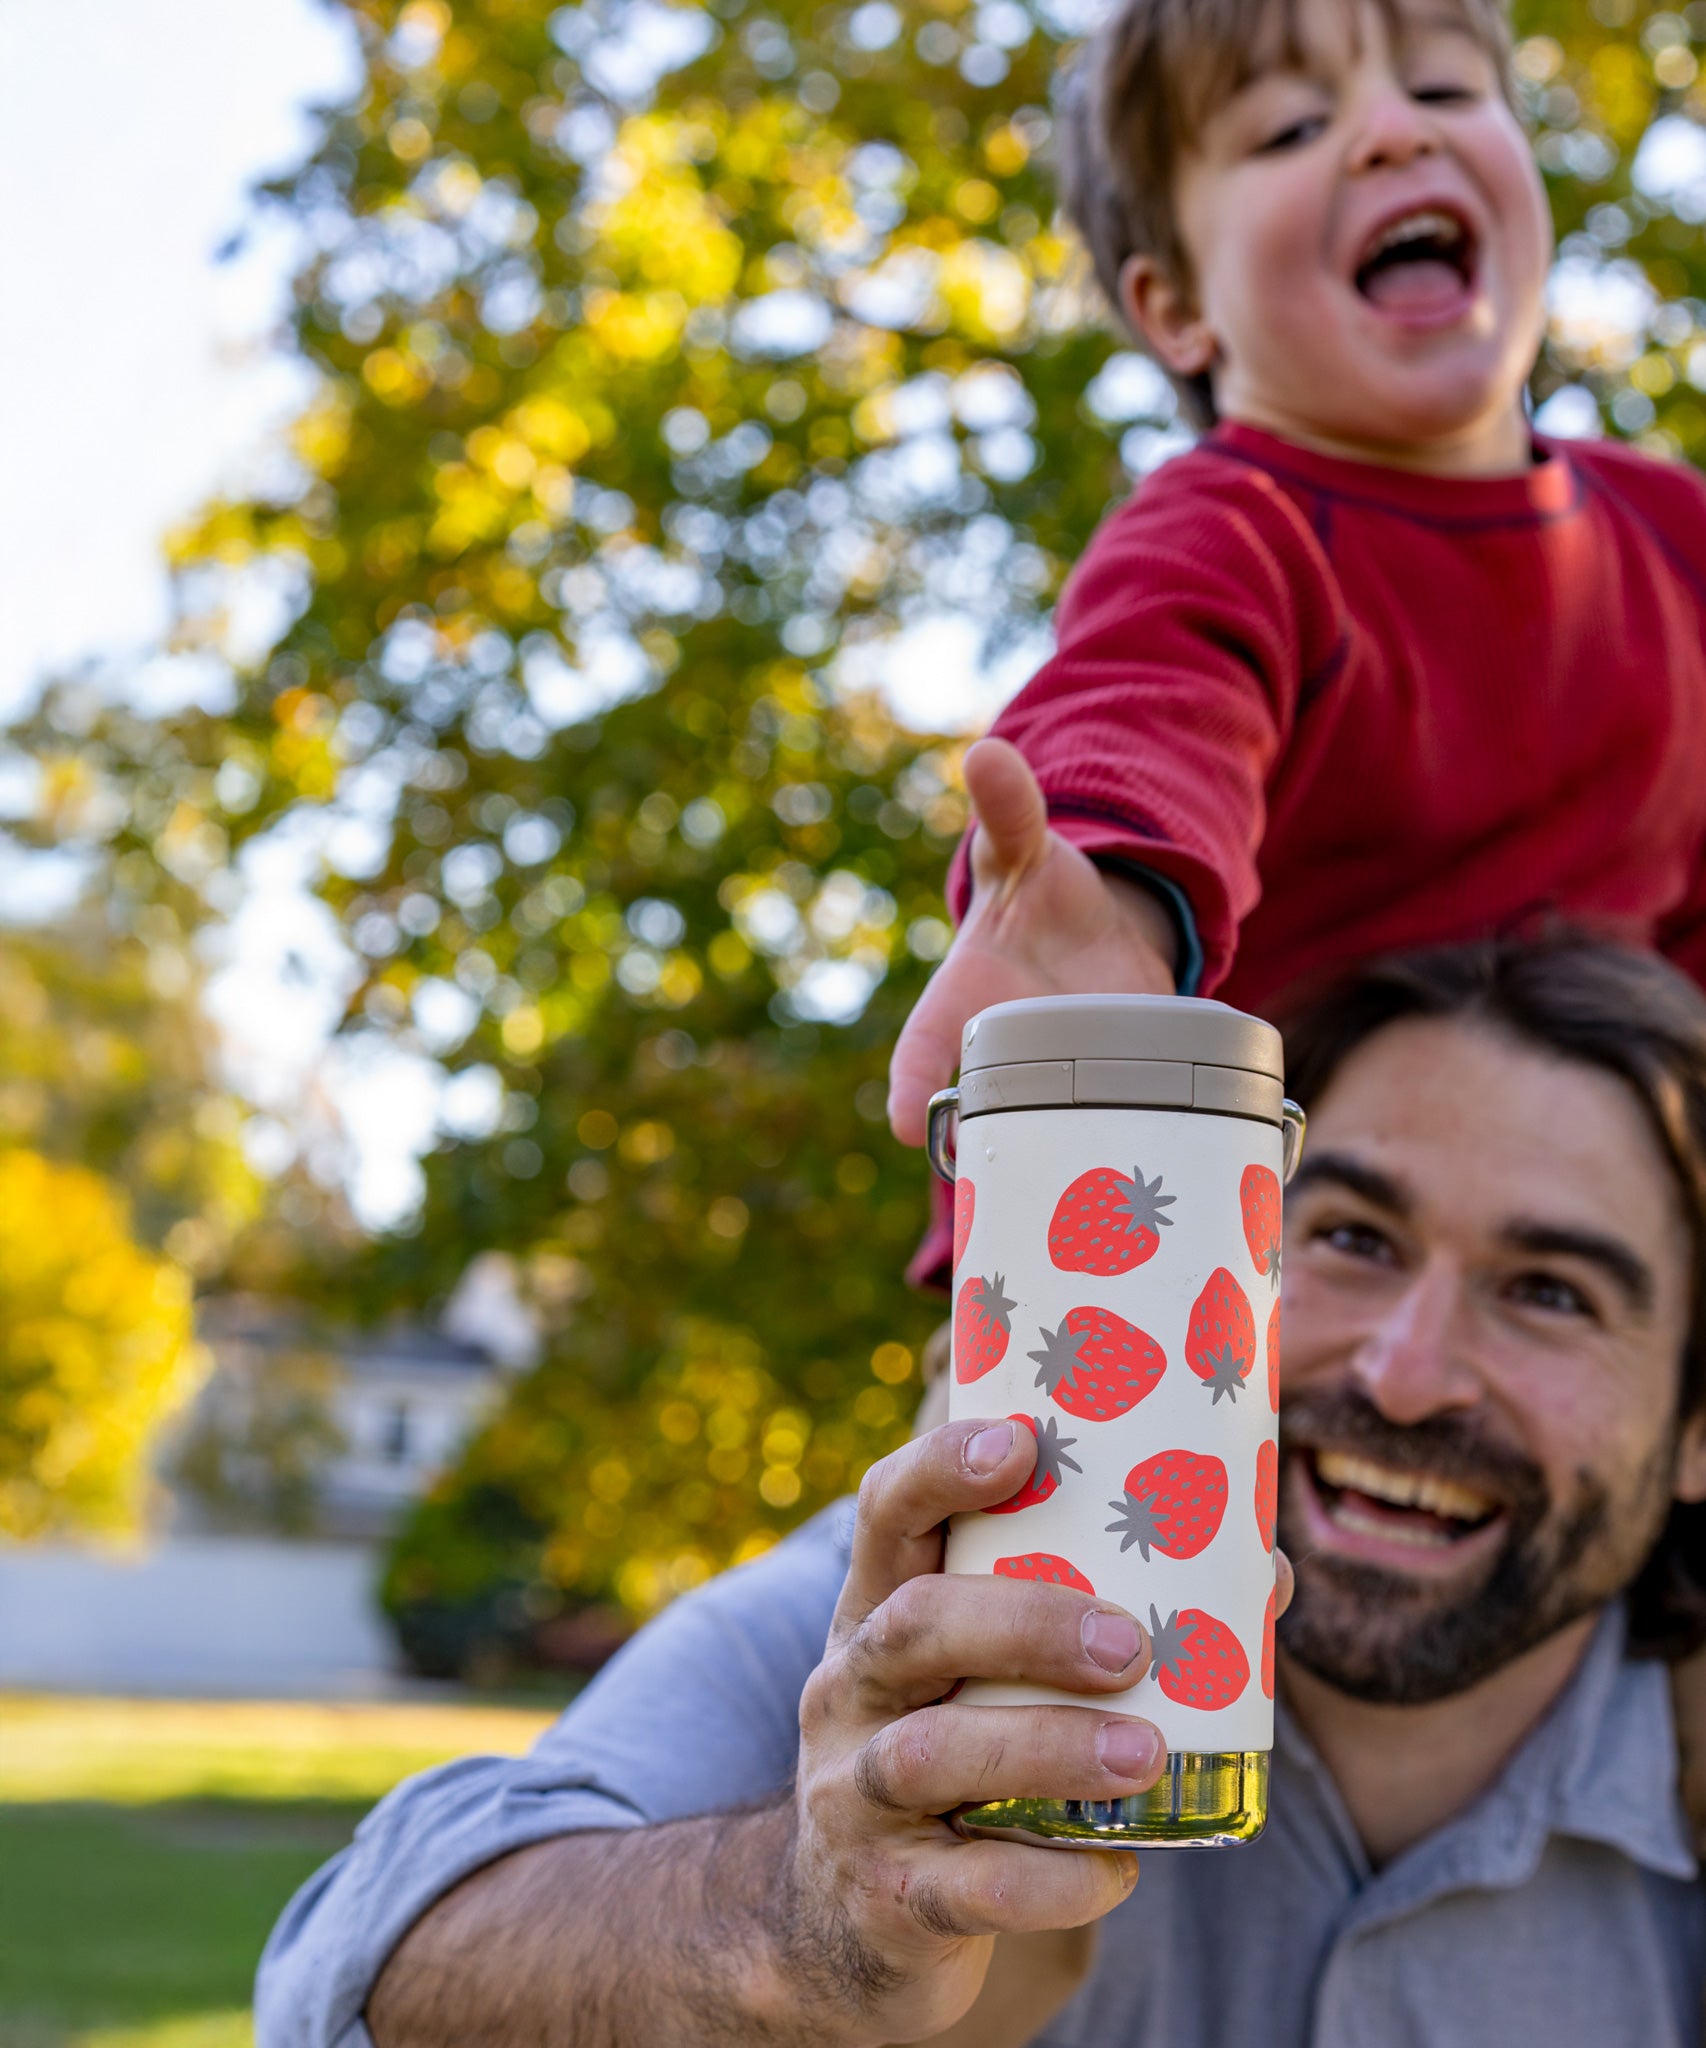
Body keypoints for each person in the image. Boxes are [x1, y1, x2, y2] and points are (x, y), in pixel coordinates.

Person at [258, 936, 1706, 2046]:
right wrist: (797, 1917)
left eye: (1547, 1292)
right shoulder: (931, 1616)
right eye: (1350, 1238)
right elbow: (361, 1965)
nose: (1403, 1374)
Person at [885, 0, 1706, 1290]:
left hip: (1539, 1276)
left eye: (1441, 91)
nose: (1389, 135)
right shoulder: (1236, 528)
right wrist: (1111, 894)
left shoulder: (1672, 541)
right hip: (1170, 1273)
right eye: (1292, 128)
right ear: (1176, 310)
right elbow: (1147, 701)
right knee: (1019, 1483)